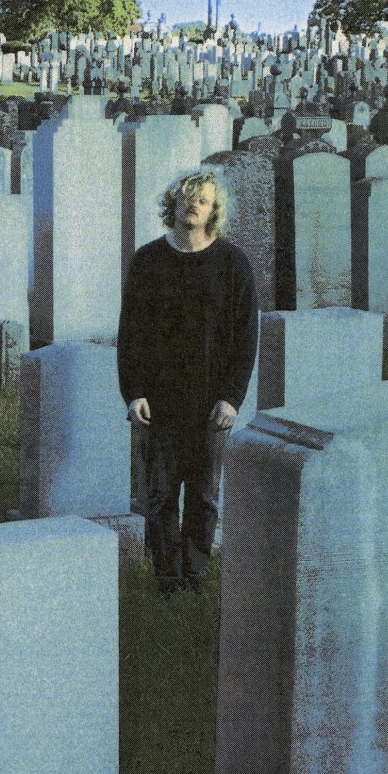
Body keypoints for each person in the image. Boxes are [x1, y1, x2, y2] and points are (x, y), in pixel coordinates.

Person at [117, 170, 258, 597]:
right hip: (159, 402)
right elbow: (131, 333)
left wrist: (232, 398)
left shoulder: (233, 264)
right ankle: (166, 581)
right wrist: (133, 393)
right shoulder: (148, 260)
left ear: (214, 211)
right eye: (187, 197)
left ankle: (194, 577)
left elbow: (246, 337)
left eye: (202, 200)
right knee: (159, 496)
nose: (193, 205)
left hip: (211, 403)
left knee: (203, 496)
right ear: (174, 203)